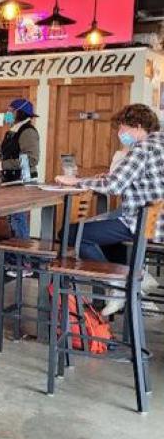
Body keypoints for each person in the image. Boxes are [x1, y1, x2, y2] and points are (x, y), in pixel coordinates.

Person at [56, 103, 164, 316]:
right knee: (104, 233)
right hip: (155, 219)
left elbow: (114, 187)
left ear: (138, 126)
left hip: (141, 222)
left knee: (71, 233)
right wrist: (107, 177)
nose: (120, 133)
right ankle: (133, 277)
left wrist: (75, 181)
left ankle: (118, 285)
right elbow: (146, 179)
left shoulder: (142, 148)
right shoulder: (160, 142)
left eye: (122, 128)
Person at [0, 98, 40, 239]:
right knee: (12, 219)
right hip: (10, 181)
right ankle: (14, 256)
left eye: (10, 111)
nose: (7, 113)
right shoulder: (13, 130)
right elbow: (12, 151)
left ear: (19, 112)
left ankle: (23, 258)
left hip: (21, 182)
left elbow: (32, 159)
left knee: (18, 219)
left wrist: (2, 165)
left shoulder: (28, 131)